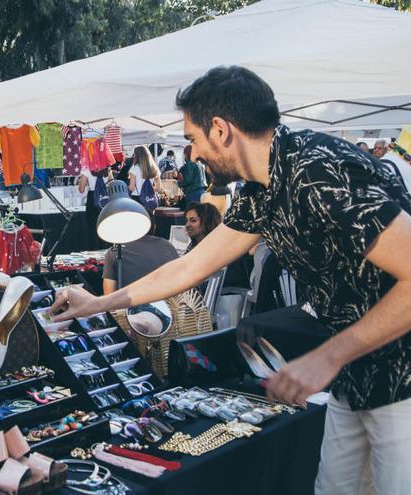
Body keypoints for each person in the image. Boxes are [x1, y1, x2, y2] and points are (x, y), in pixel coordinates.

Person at [49, 66, 411, 494]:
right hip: (358, 376)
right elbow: (190, 267)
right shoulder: (263, 188)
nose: (193, 155)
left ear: (220, 130)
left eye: (192, 140)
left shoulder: (318, 170)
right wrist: (96, 304)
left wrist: (328, 355)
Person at [102, 210, 178, 293]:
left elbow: (109, 295)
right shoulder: (168, 246)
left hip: (130, 304)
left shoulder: (114, 252)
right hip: (169, 304)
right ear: (154, 227)